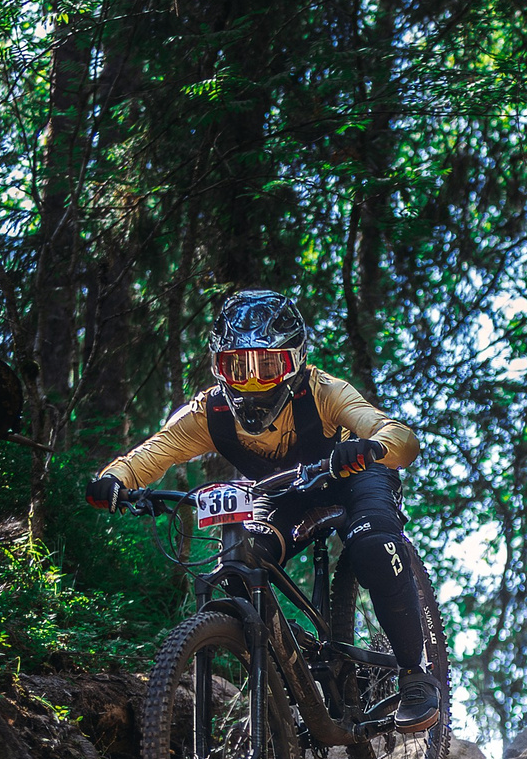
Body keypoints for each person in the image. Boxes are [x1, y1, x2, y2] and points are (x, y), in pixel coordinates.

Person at [88, 289, 439, 732]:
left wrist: (372, 446)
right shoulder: (209, 413)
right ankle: (297, 670)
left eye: (268, 366)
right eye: (238, 366)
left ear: (295, 361)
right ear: (219, 367)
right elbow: (157, 450)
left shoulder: (325, 391)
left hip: (353, 477)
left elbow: (402, 440)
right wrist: (115, 478)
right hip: (281, 492)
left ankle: (414, 675)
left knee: (373, 547)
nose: (253, 383)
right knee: (241, 565)